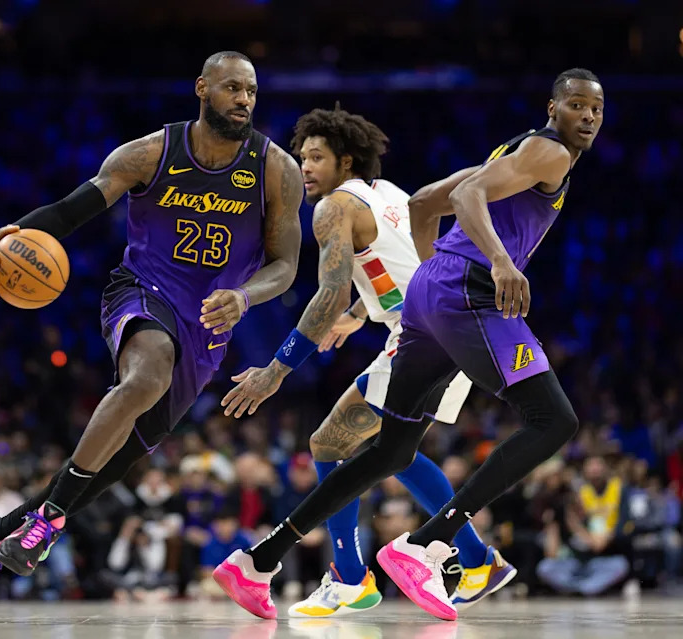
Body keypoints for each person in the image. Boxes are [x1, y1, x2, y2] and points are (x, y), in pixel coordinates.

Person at [215, 68, 603, 620]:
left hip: (425, 302)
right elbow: (463, 195)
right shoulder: (551, 153)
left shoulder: (512, 153)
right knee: (554, 421)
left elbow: (427, 203)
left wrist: (429, 288)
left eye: (596, 110)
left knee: (390, 451)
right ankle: (432, 546)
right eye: (578, 106)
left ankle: (262, 559)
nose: (588, 117)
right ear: (552, 109)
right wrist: (495, 262)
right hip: (465, 296)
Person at [0, 50, 303, 618]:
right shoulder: (150, 153)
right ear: (201, 88)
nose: (244, 100)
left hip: (209, 326)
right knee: (146, 374)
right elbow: (71, 212)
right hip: (143, 293)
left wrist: (245, 296)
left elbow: (285, 266)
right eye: (232, 88)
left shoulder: (275, 169)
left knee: (113, 464)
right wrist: (7, 237)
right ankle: (45, 524)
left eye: (252, 92)